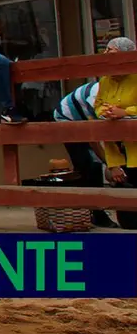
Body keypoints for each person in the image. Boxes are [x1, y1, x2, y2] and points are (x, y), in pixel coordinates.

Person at [53, 76, 118, 228]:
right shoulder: (96, 99)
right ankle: (92, 214)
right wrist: (110, 163)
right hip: (67, 119)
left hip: (89, 120)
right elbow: (93, 138)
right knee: (88, 165)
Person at [95, 36, 137, 186]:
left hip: (135, 148)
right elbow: (98, 105)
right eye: (105, 50)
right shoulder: (105, 81)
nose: (106, 55)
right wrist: (106, 111)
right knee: (123, 200)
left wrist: (125, 113)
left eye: (111, 51)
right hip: (116, 150)